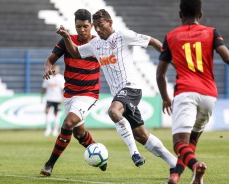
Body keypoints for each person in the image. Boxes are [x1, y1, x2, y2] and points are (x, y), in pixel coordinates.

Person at [57, 9, 177, 174]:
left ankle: (134, 153)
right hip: (120, 95)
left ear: (110, 22)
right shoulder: (95, 44)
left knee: (113, 111)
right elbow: (76, 52)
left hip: (131, 88)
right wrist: (65, 37)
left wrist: (172, 61)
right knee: (142, 135)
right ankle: (174, 163)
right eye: (96, 27)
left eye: (101, 26)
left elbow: (153, 41)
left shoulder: (123, 36)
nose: (98, 30)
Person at [156, 0, 229, 183]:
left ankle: (195, 165)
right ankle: (177, 175)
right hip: (209, 95)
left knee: (179, 143)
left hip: (186, 92)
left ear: (180, 15)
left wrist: (165, 98)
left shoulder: (171, 36)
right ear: (201, 14)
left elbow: (160, 74)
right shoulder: (212, 32)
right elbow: (227, 58)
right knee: (192, 139)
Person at [40, 9, 104, 177]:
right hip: (69, 94)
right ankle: (100, 155)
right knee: (79, 133)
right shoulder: (65, 42)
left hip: (88, 94)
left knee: (68, 123)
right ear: (74, 26)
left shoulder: (98, 43)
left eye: (85, 26)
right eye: (78, 27)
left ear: (91, 25)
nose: (82, 30)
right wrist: (49, 69)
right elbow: (49, 61)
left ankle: (49, 164)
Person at [41, 65, 65, 137]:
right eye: (54, 69)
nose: (56, 70)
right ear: (52, 69)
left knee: (56, 114)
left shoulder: (61, 78)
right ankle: (48, 129)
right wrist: (41, 97)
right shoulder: (48, 77)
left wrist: (62, 98)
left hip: (57, 99)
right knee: (47, 112)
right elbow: (44, 88)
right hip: (49, 98)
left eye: (57, 69)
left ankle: (55, 130)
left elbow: (63, 90)